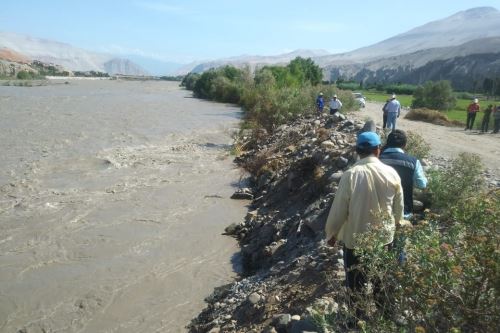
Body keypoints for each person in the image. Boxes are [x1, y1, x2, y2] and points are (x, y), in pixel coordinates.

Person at [325, 131, 404, 293]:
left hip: (356, 241)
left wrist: (332, 234)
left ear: (358, 151)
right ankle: (384, 315)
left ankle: (356, 317)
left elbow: (340, 209)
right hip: (383, 239)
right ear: (378, 150)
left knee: (355, 286)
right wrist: (397, 225)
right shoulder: (392, 173)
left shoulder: (350, 175)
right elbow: (399, 209)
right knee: (381, 284)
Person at [380, 130, 427, 218]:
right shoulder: (413, 162)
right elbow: (422, 184)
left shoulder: (377, 160)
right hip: (404, 211)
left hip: (379, 211)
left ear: (387, 143)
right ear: (404, 145)